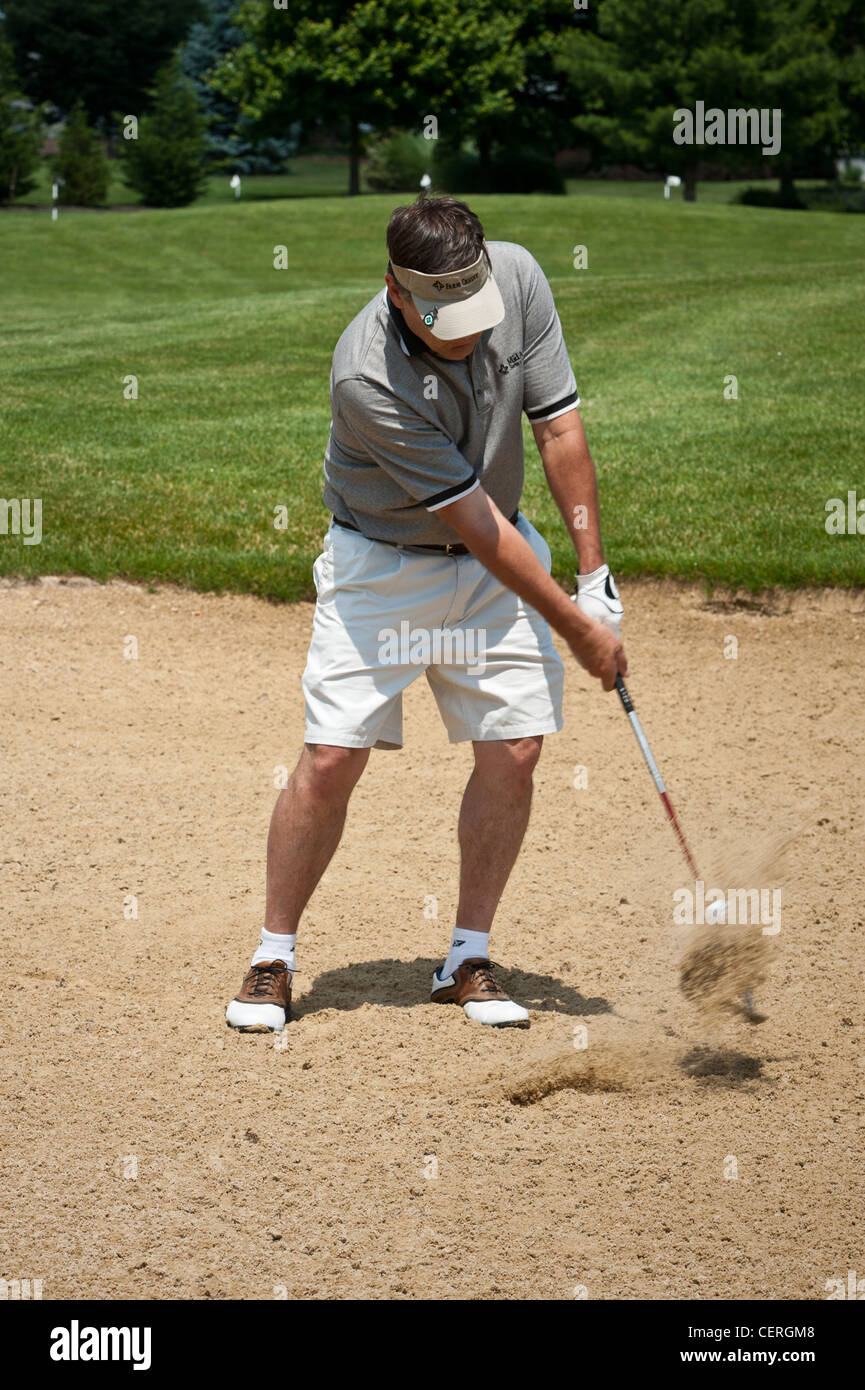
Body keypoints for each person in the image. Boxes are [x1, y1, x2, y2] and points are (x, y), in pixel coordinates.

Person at [226, 193, 627, 1034]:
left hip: (494, 563)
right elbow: (475, 524)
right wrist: (574, 627)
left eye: (477, 309)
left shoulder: (514, 277)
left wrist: (595, 578)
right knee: (333, 761)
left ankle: (466, 958)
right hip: (383, 568)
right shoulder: (365, 375)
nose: (472, 332)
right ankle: (273, 955)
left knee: (516, 751)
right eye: (449, 318)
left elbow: (557, 431)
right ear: (397, 292)